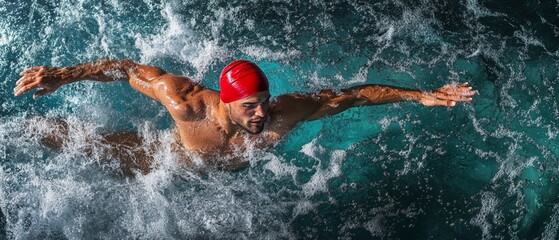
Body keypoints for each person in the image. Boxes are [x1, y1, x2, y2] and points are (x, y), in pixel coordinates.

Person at [13, 59, 477, 173]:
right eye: (249, 106)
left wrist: (420, 96)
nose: (261, 113)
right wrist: (64, 75)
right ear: (225, 102)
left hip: (230, 176)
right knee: (55, 138)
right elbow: (128, 69)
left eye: (264, 102)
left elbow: (352, 96)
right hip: (173, 162)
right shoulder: (185, 102)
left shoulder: (283, 112)